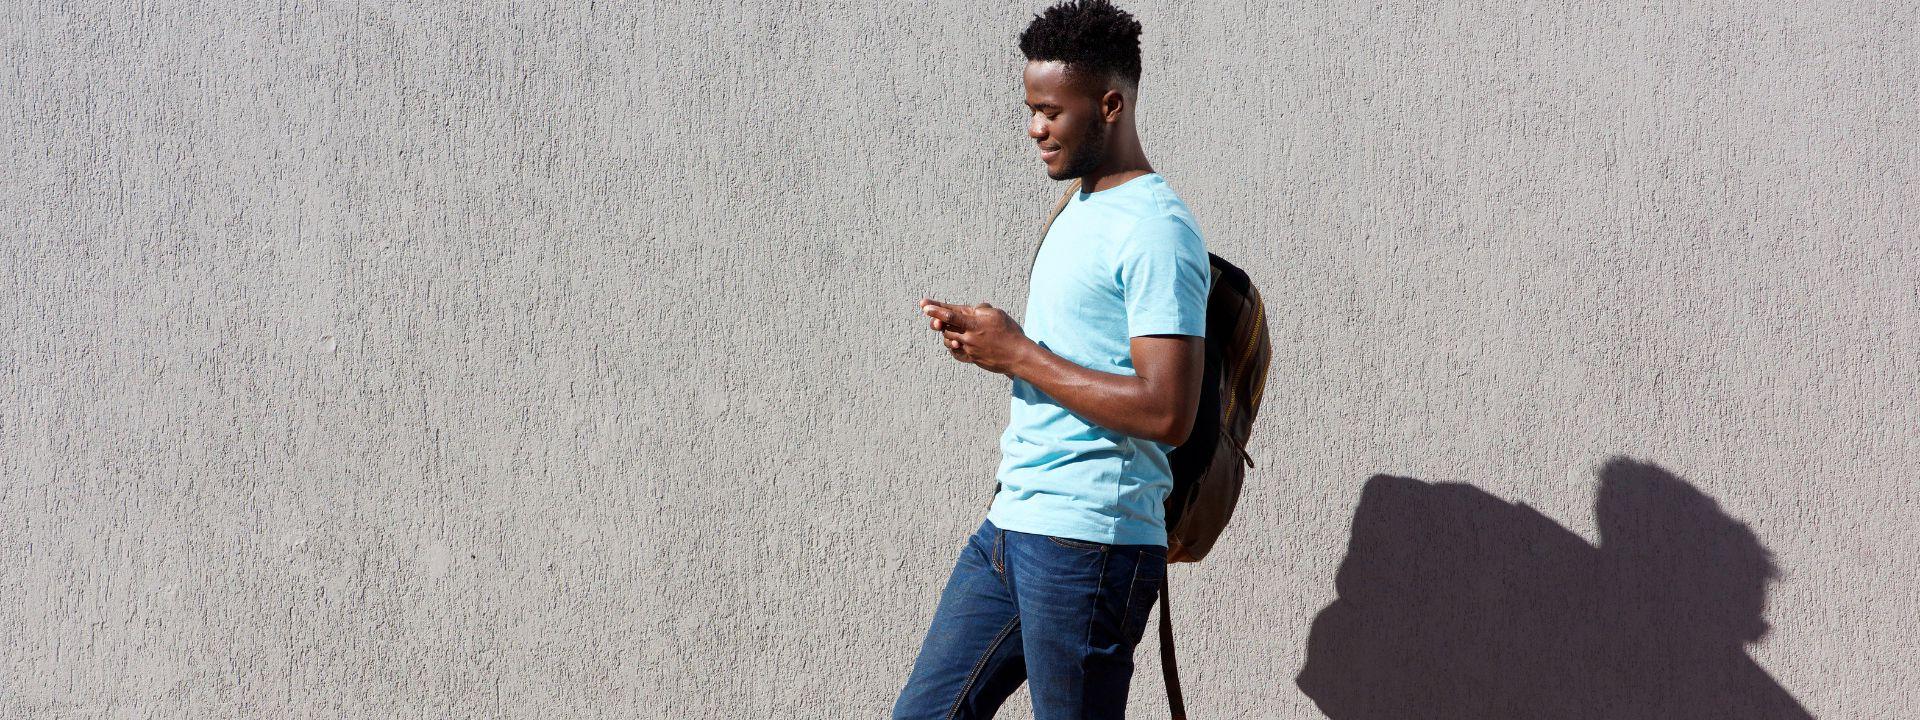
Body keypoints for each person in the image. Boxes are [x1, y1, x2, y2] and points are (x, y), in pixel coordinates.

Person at [893, 2, 1211, 717]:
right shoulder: (1082, 204)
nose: (1034, 127)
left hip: (1088, 545)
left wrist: (1018, 354)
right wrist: (993, 346)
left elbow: (1167, 410)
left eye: (1049, 111)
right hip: (1014, 526)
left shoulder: (1155, 229)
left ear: (1109, 104)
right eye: (1030, 108)